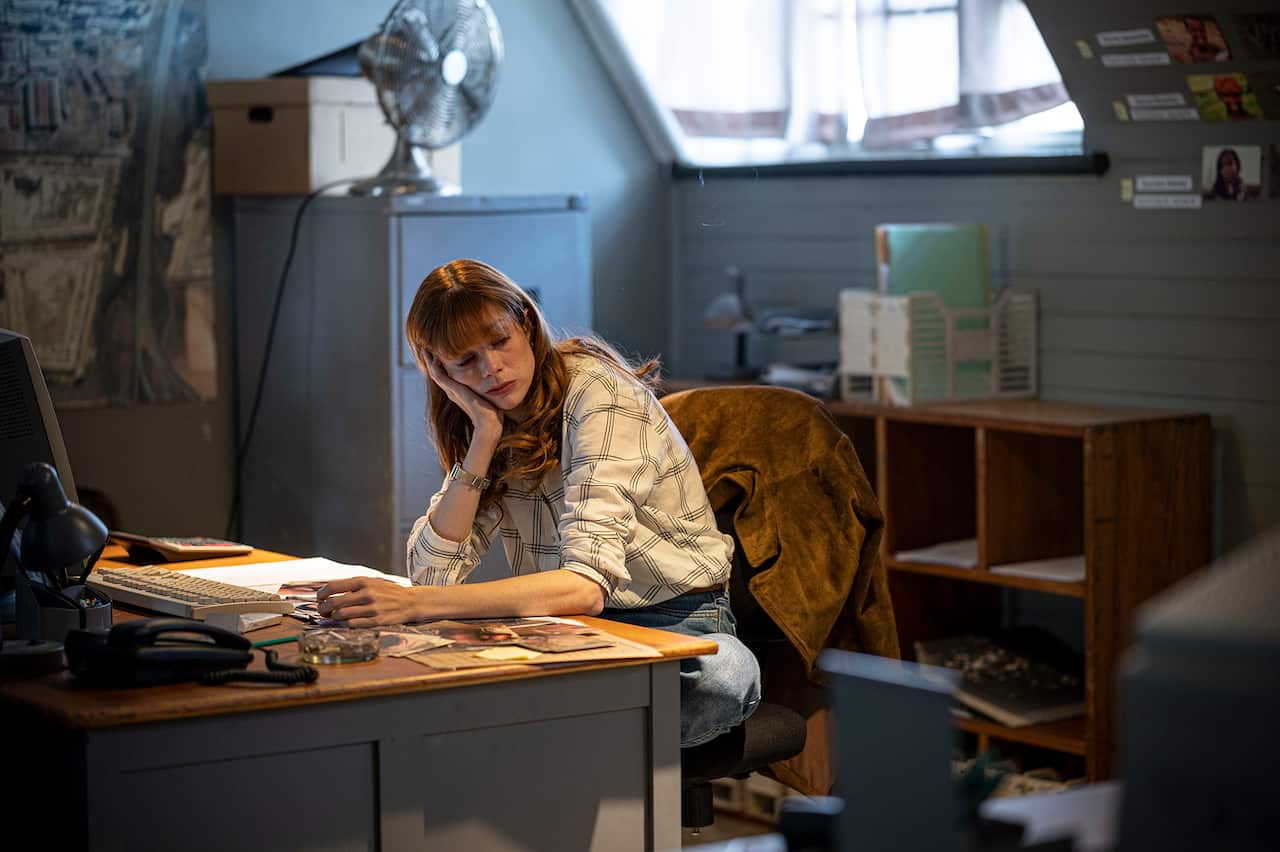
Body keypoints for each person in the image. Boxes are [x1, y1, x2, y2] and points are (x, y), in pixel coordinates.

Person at [316, 258, 761, 747]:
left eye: (499, 340)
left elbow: (586, 587)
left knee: (717, 678)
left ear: (526, 322)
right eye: (465, 362)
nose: (491, 369)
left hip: (676, 622)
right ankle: (559, 734)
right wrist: (483, 439)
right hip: (561, 631)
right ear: (439, 370)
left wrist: (414, 605)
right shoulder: (488, 418)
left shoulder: (600, 395)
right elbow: (431, 573)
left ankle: (552, 735)